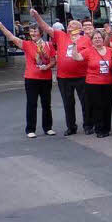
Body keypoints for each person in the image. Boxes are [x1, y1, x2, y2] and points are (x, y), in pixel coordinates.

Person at [0, 17, 56, 138]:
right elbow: (11, 37)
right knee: (31, 103)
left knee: (46, 104)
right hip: (31, 78)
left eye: (35, 31)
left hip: (46, 78)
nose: (32, 33)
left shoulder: (49, 45)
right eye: (31, 31)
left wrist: (47, 67)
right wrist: (1, 26)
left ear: (41, 33)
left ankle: (48, 128)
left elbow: (53, 61)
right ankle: (30, 129)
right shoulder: (27, 45)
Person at [30, 8, 87, 136]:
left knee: (85, 102)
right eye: (69, 25)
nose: (70, 26)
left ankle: (88, 125)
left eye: (73, 25)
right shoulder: (61, 35)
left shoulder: (85, 39)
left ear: (79, 28)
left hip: (81, 76)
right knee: (68, 103)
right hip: (64, 77)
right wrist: (37, 16)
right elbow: (46, 27)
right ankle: (71, 127)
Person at [72, 29, 112, 137]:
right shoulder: (88, 51)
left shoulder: (110, 50)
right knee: (97, 106)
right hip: (93, 83)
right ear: (91, 40)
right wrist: (74, 44)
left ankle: (107, 128)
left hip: (109, 83)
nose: (97, 40)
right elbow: (76, 57)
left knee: (107, 106)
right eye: (95, 38)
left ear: (103, 39)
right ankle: (99, 129)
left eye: (99, 38)